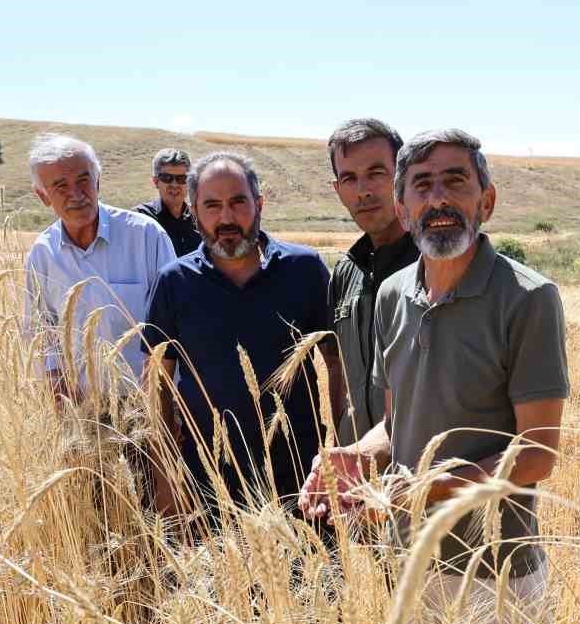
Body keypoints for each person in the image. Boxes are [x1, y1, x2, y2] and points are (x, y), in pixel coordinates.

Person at [299, 129, 569, 624]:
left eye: (455, 181)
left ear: (485, 201)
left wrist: (430, 488)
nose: (439, 199)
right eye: (422, 186)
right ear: (403, 209)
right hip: (408, 564)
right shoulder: (393, 296)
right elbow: (396, 424)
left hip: (496, 575)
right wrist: (356, 456)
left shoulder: (529, 298)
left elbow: (538, 454)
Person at [142, 151, 344, 518]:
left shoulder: (305, 269)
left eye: (238, 202)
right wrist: (166, 476)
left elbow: (338, 360)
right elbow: (157, 380)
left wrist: (340, 449)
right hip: (207, 481)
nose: (226, 217)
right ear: (194, 211)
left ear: (259, 203)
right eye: (212, 205)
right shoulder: (174, 281)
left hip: (301, 479)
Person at [21, 132, 176, 403]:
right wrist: (60, 393)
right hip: (82, 414)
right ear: (42, 196)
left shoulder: (146, 236)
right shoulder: (43, 254)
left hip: (150, 405)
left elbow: (174, 323)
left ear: (98, 181)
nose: (77, 195)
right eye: (61, 186)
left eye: (84, 181)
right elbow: (41, 333)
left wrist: (162, 405)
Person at [324, 119, 419, 445]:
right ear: (337, 190)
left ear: (403, 175)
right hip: (358, 475)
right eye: (349, 178)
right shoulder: (345, 274)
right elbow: (338, 370)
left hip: (425, 476)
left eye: (377, 173)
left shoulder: (435, 264)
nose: (363, 190)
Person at [135, 147, 202, 257]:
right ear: (156, 182)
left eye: (181, 179)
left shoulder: (200, 219)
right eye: (167, 178)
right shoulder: (141, 218)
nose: (174, 185)